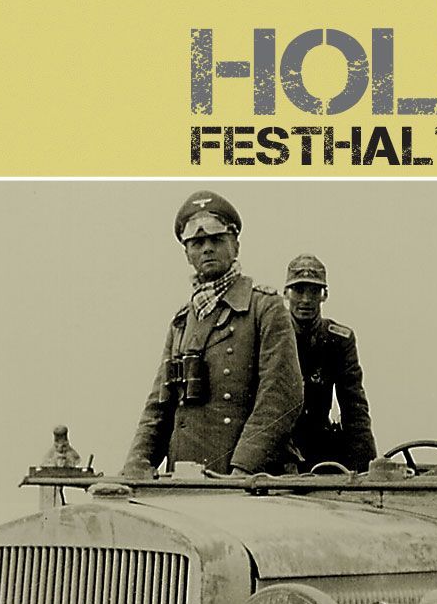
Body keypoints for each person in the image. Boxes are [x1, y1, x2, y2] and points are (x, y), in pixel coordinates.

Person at [122, 190, 304, 476]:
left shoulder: (265, 308)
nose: (207, 248)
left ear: (235, 246)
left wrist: (243, 469)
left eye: (217, 240)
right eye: (197, 243)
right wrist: (136, 464)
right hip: (186, 476)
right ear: (187, 253)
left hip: (250, 478)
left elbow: (281, 397)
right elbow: (159, 405)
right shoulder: (182, 321)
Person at [283, 254, 377, 471]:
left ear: (324, 295)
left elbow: (354, 405)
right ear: (286, 294)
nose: (306, 300)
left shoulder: (338, 339)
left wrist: (366, 467)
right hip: (274, 446)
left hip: (317, 448)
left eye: (314, 291)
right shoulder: (271, 334)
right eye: (299, 290)